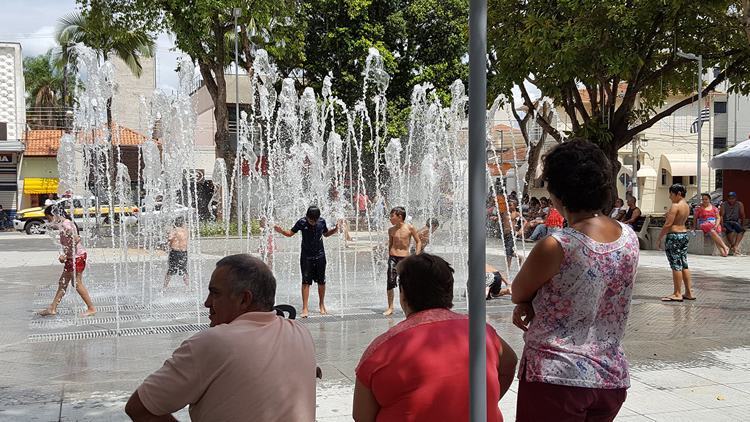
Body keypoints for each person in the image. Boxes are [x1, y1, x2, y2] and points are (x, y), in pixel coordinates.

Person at [511, 140, 637, 421]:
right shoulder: (629, 238)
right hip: (609, 376)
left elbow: (519, 290)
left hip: (557, 375)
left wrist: (527, 302)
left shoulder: (558, 244)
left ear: (556, 192)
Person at [125, 254, 316, 421]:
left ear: (244, 299)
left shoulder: (212, 343)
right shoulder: (300, 332)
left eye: (215, 293)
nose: (207, 302)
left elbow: (139, 408)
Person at [353, 254, 517, 422]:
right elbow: (510, 362)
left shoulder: (382, 349)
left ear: (403, 295)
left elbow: (361, 416)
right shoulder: (481, 332)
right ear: (450, 292)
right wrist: (483, 405)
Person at [274, 205, 338, 318]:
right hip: (306, 256)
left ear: (318, 218)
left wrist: (335, 230)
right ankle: (305, 307)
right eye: (310, 220)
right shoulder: (302, 222)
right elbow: (290, 233)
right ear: (307, 217)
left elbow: (326, 234)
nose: (312, 222)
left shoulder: (322, 222)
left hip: (320, 255)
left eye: (314, 220)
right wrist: (281, 231)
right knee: (305, 282)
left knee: (322, 281)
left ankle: (321, 304)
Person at [38, 205, 96, 317]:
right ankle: (52, 308)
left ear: (54, 215)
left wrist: (64, 255)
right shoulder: (64, 224)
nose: (49, 221)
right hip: (73, 257)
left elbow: (76, 239)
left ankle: (91, 308)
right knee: (63, 282)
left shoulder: (66, 225)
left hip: (77, 257)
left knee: (77, 284)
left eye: (49, 218)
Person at [657, 184, 694, 302]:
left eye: (671, 194)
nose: (669, 197)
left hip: (674, 236)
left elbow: (668, 224)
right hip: (683, 234)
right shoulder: (686, 206)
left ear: (678, 194)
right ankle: (688, 292)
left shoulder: (675, 206)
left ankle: (677, 293)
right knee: (684, 263)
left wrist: (659, 238)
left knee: (675, 265)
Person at [384, 206, 421, 316]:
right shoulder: (391, 230)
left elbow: (418, 241)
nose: (390, 219)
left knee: (405, 284)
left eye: (392, 216)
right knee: (390, 282)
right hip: (393, 257)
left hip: (405, 259)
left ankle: (407, 306)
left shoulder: (410, 228)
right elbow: (390, 244)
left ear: (400, 217)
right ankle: (390, 307)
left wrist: (417, 256)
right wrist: (389, 255)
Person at [694, 192, 729, 257]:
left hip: (713, 224)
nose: (704, 201)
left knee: (714, 231)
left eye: (706, 199)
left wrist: (716, 225)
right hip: (704, 223)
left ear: (709, 199)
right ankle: (725, 246)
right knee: (711, 229)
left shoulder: (714, 208)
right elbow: (695, 218)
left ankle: (722, 252)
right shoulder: (699, 208)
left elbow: (718, 218)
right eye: (703, 199)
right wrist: (694, 227)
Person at [164, 218, 189, 289]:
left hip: (175, 252)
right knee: (184, 270)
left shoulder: (174, 231)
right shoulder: (186, 231)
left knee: (170, 270)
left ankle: (165, 286)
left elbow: (169, 238)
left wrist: (168, 235)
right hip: (184, 252)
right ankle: (188, 286)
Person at [721, 192, 745, 256]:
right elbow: (721, 216)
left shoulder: (739, 204)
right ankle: (734, 247)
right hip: (727, 221)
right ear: (727, 199)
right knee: (730, 231)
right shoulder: (724, 204)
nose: (731, 200)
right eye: (730, 198)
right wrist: (722, 226)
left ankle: (735, 246)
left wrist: (743, 224)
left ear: (736, 198)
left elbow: (742, 215)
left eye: (733, 198)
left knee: (741, 230)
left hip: (735, 221)